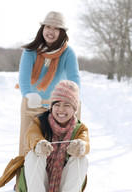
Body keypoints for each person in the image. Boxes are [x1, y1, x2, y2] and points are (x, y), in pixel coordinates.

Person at [24, 80, 90, 192]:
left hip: (64, 186)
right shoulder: (39, 122)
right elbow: (32, 135)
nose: (61, 109)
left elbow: (85, 143)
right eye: (57, 104)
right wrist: (39, 144)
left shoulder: (80, 128)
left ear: (74, 109)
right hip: (38, 182)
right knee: (34, 154)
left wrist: (80, 147)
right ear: (51, 107)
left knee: (81, 159)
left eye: (67, 105)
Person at [18, 11, 80, 156]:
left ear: (62, 32)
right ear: (42, 29)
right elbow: (23, 77)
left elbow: (74, 80)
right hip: (33, 105)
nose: (51, 32)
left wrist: (72, 100)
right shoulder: (30, 51)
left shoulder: (68, 53)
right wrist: (28, 94)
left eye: (56, 28)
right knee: (29, 147)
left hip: (59, 108)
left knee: (56, 150)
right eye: (48, 27)